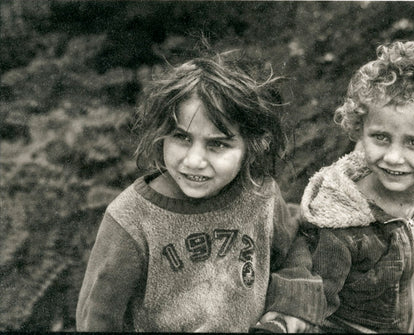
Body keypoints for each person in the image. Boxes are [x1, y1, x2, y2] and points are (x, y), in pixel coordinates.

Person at [258, 40, 414, 333]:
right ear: (359, 131)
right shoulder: (340, 217)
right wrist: (284, 321)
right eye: (380, 137)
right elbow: (310, 283)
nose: (393, 157)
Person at [76, 51, 298, 332]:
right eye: (181, 137)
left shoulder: (261, 195)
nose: (194, 160)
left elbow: (292, 253)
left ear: (254, 145)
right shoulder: (130, 219)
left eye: (217, 144)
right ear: (162, 134)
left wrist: (290, 307)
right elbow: (96, 319)